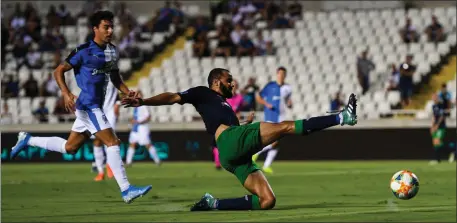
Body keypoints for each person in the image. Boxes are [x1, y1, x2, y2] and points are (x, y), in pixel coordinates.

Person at [121, 68, 358, 211]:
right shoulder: (202, 93)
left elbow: (225, 129)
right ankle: (342, 117)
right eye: (228, 79)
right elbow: (173, 97)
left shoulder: (225, 107)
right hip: (229, 143)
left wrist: (242, 126)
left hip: (233, 155)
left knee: (267, 201)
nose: (232, 83)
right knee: (286, 127)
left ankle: (213, 204)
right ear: (216, 82)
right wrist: (143, 101)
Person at [10, 11, 151, 204]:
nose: (110, 31)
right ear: (95, 29)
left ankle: (28, 139)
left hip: (94, 106)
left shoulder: (112, 51)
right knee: (113, 142)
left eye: (111, 27)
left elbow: (115, 77)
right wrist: (66, 93)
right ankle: (126, 190)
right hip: (88, 106)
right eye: (105, 27)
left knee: (70, 148)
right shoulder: (83, 51)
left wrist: (127, 92)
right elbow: (59, 70)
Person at [251, 67, 292, 174]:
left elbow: (288, 100)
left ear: (285, 75)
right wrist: (266, 104)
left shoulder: (288, 88)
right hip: (271, 116)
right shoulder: (270, 86)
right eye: (280, 73)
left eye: (283, 74)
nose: (281, 75)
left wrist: (289, 104)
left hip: (282, 117)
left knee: (276, 142)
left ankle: (266, 165)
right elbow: (258, 97)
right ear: (277, 74)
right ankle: (257, 153)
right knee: (274, 140)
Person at [212, 79, 246, 170]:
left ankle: (233, 162)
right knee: (218, 143)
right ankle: (217, 163)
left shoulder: (239, 98)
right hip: (222, 122)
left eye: (235, 86)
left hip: (233, 123)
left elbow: (239, 110)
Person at [92, 78, 119, 181]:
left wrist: (118, 104)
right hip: (97, 110)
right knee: (97, 140)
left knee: (109, 138)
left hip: (111, 110)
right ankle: (100, 172)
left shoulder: (112, 74)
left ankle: (109, 165)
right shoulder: (92, 74)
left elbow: (119, 88)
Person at [126, 91, 161, 167]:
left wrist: (139, 121)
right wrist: (132, 122)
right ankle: (128, 162)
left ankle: (157, 160)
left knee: (147, 144)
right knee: (132, 144)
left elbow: (148, 117)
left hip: (142, 128)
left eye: (138, 95)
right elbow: (135, 117)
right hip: (135, 128)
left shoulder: (144, 105)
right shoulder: (134, 105)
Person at [429, 94, 448, 165]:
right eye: (433, 98)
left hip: (441, 126)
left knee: (437, 141)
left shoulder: (441, 105)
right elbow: (434, 117)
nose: (434, 99)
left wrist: (437, 125)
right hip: (435, 126)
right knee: (435, 142)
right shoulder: (433, 106)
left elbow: (442, 116)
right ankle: (437, 159)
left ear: (437, 98)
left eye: (435, 97)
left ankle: (450, 149)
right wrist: (432, 126)